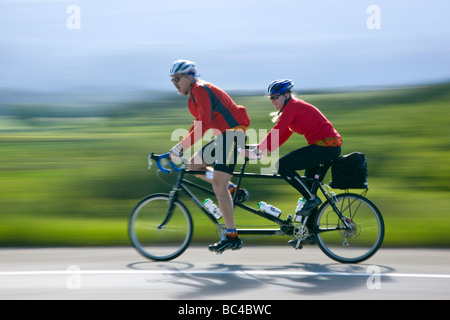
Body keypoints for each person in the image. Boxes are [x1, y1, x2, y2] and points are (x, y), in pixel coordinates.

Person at [169, 59, 251, 252]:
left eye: (177, 78)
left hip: (232, 135)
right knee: (194, 165)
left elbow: (204, 125)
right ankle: (232, 189)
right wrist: (178, 146)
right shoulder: (194, 97)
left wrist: (180, 147)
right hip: (225, 136)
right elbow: (198, 125)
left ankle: (232, 235)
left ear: (190, 76)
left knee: (217, 185)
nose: (174, 83)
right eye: (172, 80)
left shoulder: (201, 89)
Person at [247, 79, 342, 223]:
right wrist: (263, 151)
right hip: (325, 147)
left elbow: (278, 129)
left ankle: (312, 199)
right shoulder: (290, 109)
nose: (272, 101)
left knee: (283, 166)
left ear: (286, 95)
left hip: (325, 147)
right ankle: (310, 231)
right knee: (309, 187)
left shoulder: (293, 106)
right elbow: (282, 135)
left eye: (275, 97)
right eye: (270, 98)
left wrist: (260, 148)